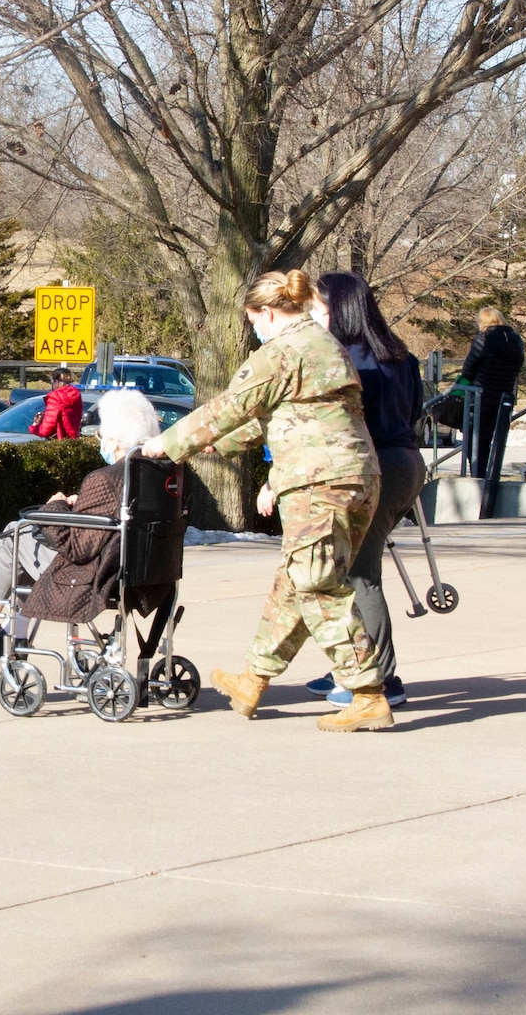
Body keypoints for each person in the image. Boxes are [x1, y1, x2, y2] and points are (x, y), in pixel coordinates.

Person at [142, 269, 391, 733]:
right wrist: (225, 444)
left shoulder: (280, 352)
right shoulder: (325, 345)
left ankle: (368, 693)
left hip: (318, 482)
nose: (253, 329)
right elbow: (289, 414)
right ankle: (254, 680)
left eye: (253, 320)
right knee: (296, 584)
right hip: (357, 476)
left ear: (268, 312)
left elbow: (229, 406)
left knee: (316, 585)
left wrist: (169, 444)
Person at [0, 389, 162, 662]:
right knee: (27, 539)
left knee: (15, 533)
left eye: (101, 435)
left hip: (96, 577)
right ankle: (11, 631)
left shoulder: (105, 478)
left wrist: (57, 505)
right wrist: (81, 504)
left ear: (114, 441)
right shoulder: (156, 475)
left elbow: (77, 547)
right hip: (146, 576)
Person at [303, 272, 426, 712]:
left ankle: (381, 677)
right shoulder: (400, 355)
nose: (313, 317)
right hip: (406, 461)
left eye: (318, 309)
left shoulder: (347, 359)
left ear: (339, 309)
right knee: (347, 567)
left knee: (357, 571)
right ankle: (348, 663)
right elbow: (413, 412)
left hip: (372, 467)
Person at [459, 307, 524, 502]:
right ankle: (490, 479)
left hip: (480, 397)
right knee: (493, 441)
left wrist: (459, 387)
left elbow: (469, 368)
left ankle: (478, 482)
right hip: (503, 399)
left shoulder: (484, 338)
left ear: (483, 321)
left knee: (474, 442)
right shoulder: (515, 340)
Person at [29, 367, 83, 439]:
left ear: (56, 382)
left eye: (52, 382)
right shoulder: (76, 395)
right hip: (73, 439)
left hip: (57, 442)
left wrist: (34, 427)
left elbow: (45, 430)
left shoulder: (55, 398)